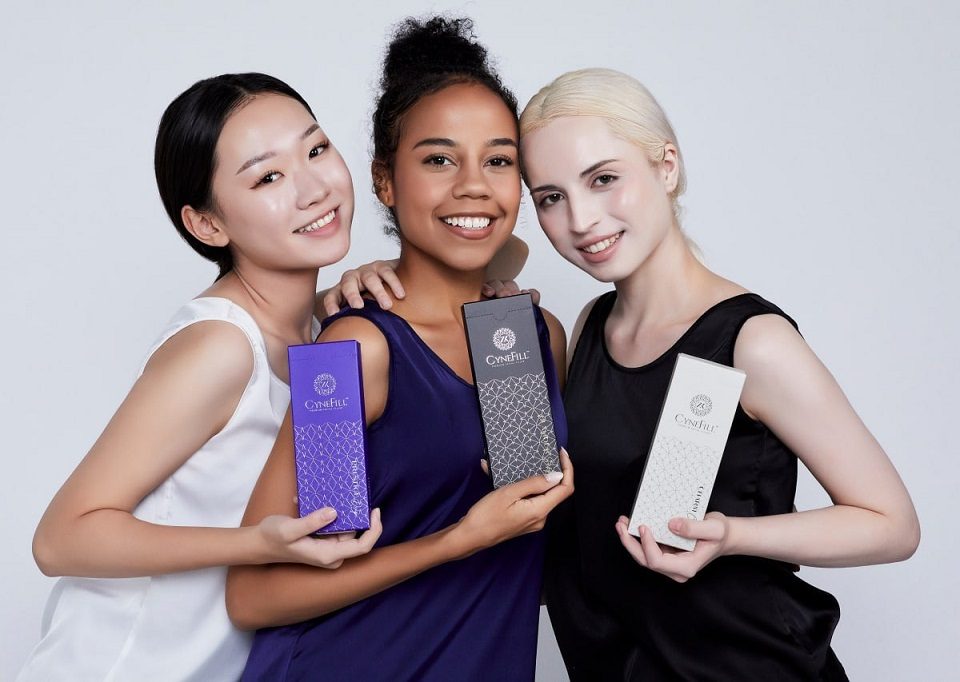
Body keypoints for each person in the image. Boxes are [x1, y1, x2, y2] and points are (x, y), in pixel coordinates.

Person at [333, 67, 921, 680]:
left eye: (604, 179)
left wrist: (731, 536)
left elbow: (892, 526)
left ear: (667, 166)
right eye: (551, 197)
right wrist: (375, 283)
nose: (582, 220)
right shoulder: (588, 326)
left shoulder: (754, 342)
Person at [226, 17, 572, 682]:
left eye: (499, 160)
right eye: (439, 159)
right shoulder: (356, 349)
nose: (474, 185)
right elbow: (255, 594)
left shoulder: (530, 339)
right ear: (385, 180)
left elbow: (526, 537)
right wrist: (456, 541)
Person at [18, 73, 383, 682]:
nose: (315, 188)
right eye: (268, 177)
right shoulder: (221, 346)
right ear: (208, 225)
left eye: (316, 149)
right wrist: (259, 544)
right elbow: (60, 540)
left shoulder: (321, 334)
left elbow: (505, 257)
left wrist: (382, 276)